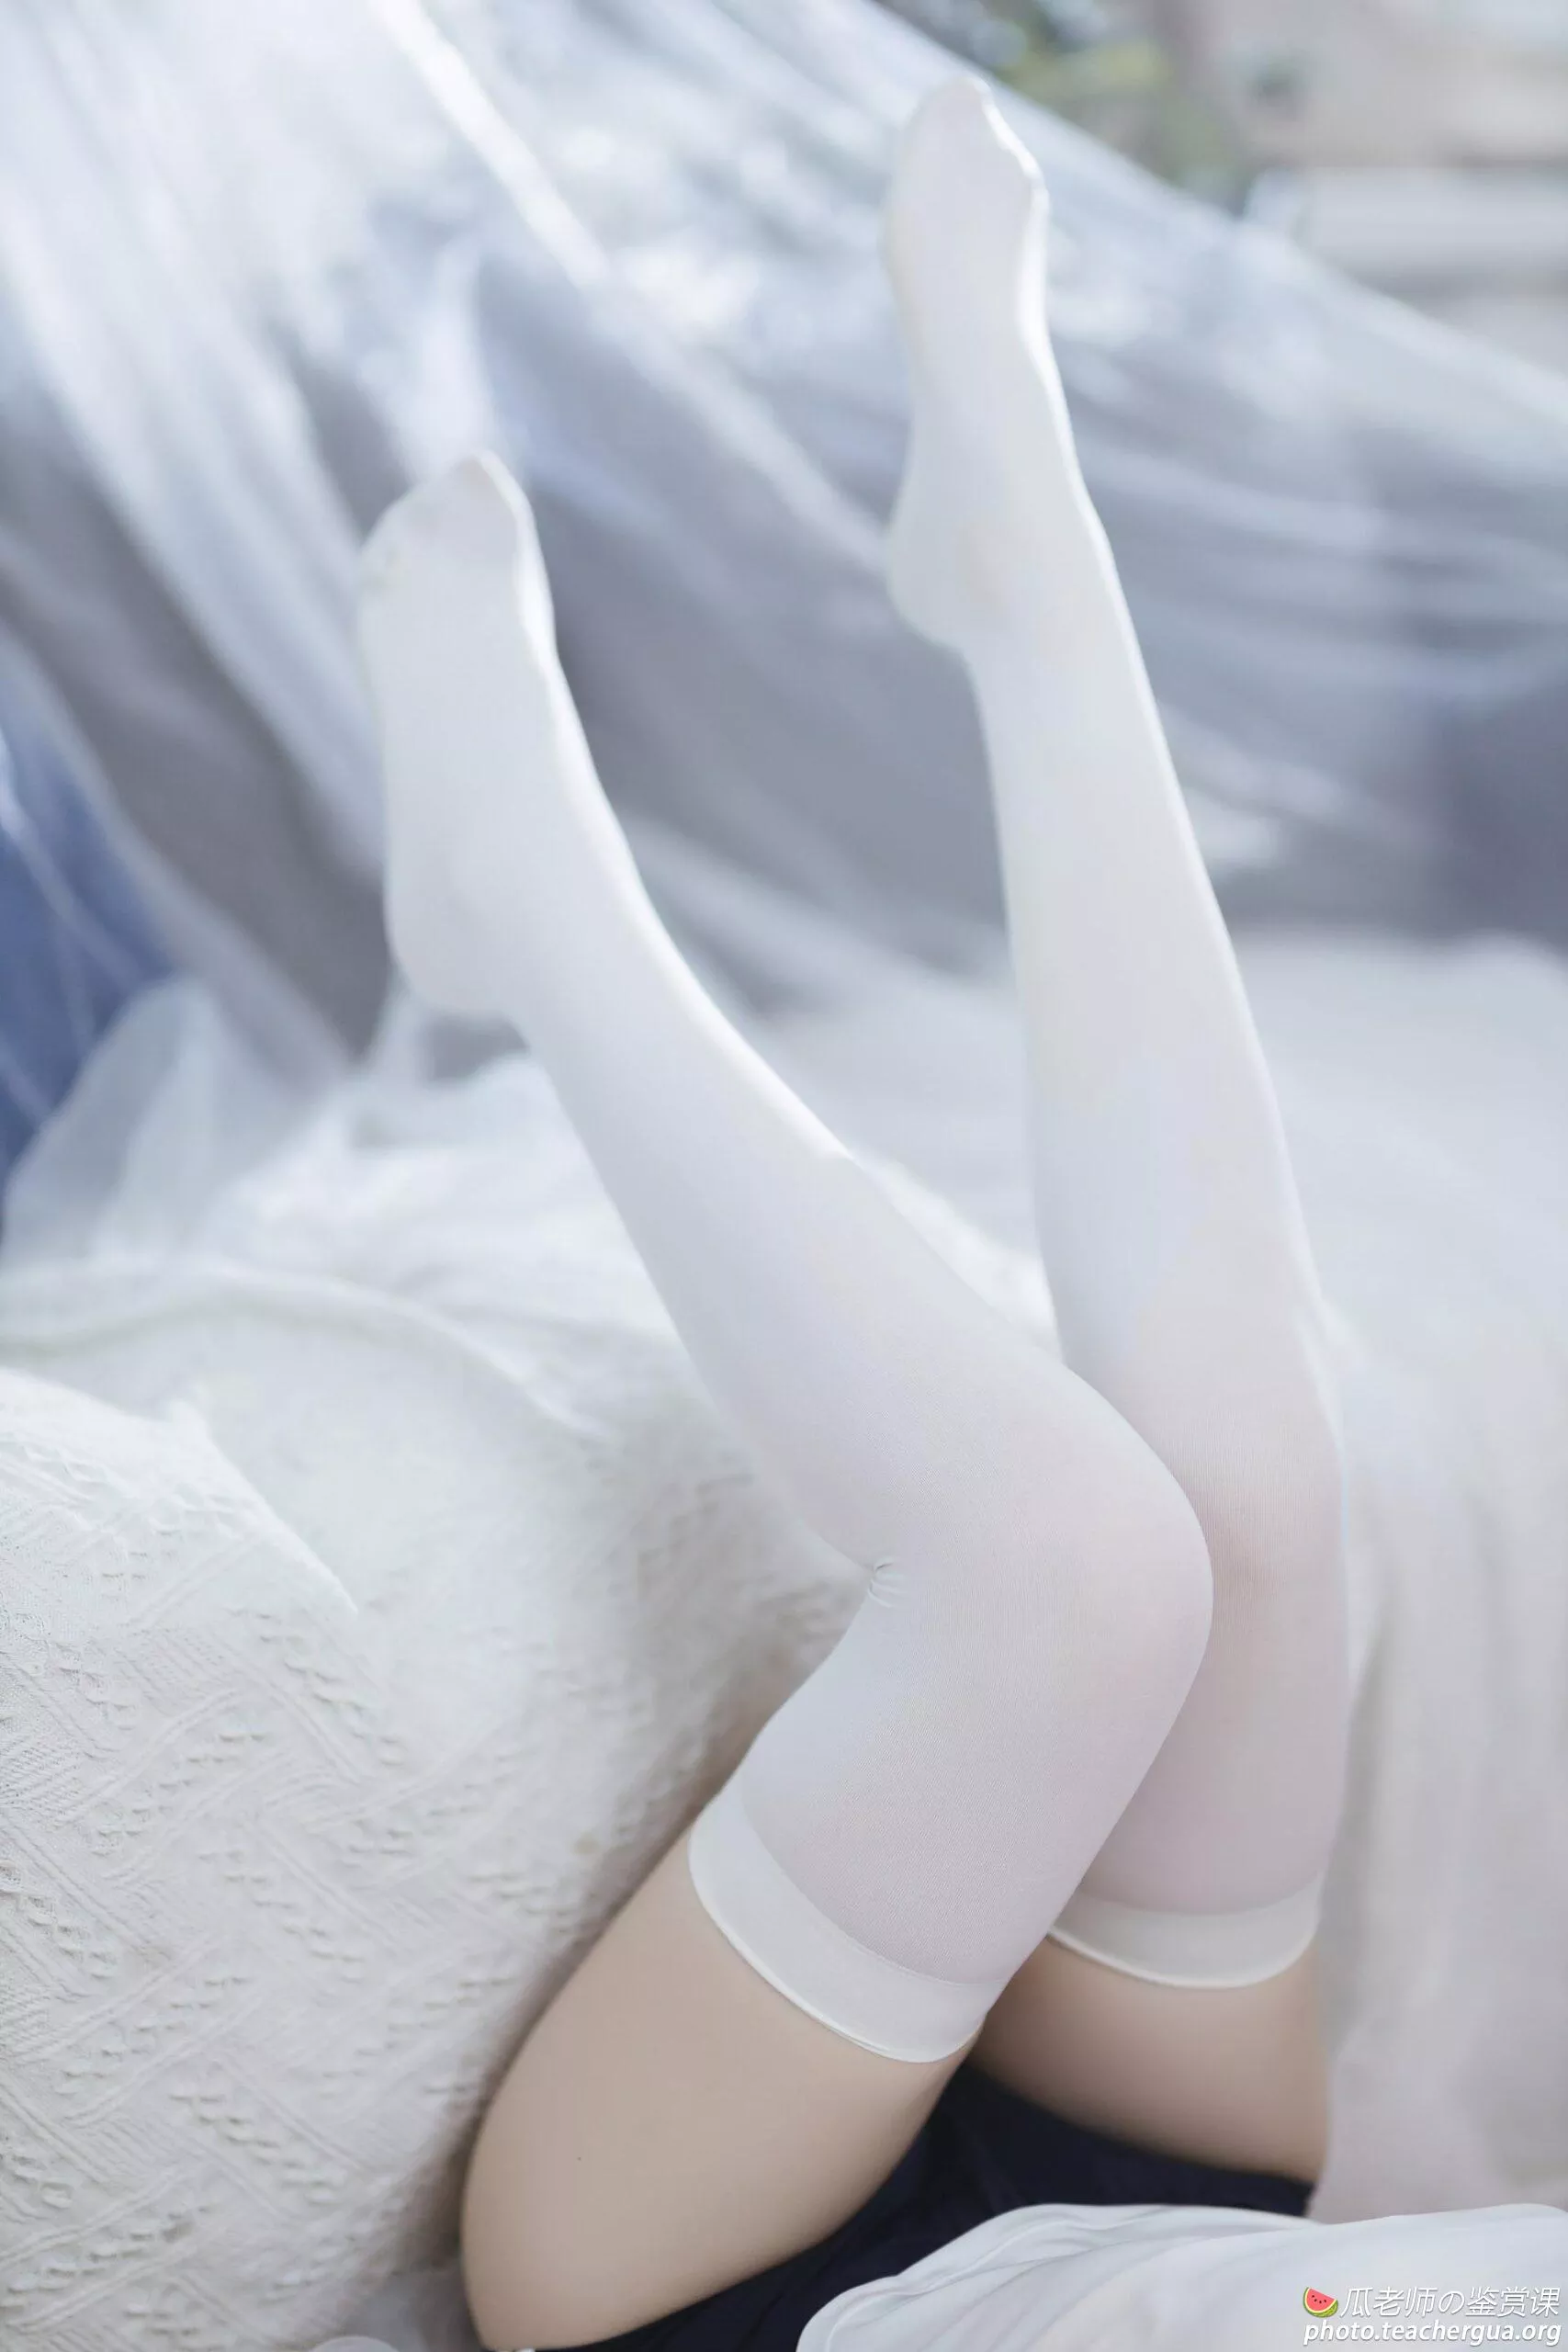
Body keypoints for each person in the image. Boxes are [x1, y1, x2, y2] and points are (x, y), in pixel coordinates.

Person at [355, 78, 1565, 2352]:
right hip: (1194, 2189)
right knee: (1253, 1494)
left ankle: (522, 902)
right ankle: (1028, 580)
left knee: (1081, 1564)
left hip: (720, 2286)